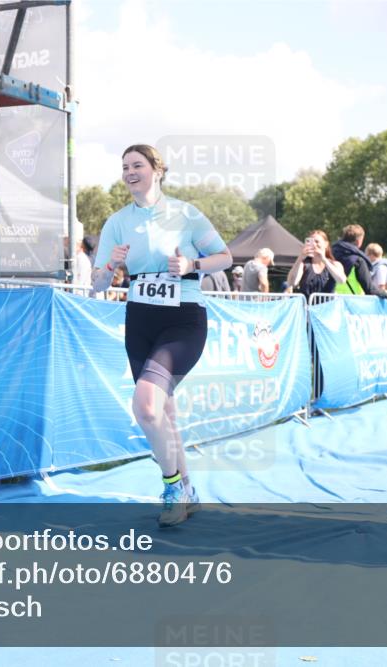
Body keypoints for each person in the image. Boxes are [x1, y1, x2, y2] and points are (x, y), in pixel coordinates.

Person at [92, 144, 232, 527]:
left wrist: (191, 264)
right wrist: (111, 266)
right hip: (140, 321)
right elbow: (97, 284)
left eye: (137, 165)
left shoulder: (187, 214)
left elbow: (225, 257)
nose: (129, 172)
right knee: (164, 413)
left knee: (147, 407)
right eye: (124, 167)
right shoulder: (117, 222)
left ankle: (172, 488)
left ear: (157, 170)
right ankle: (187, 490)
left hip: (183, 320)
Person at [287, 230, 346, 399]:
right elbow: (292, 281)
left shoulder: (335, 264)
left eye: (318, 242)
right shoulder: (304, 265)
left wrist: (324, 259)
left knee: (322, 360)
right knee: (303, 359)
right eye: (310, 241)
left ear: (326, 244)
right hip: (305, 319)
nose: (314, 245)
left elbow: (341, 280)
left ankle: (320, 398)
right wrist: (300, 258)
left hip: (326, 321)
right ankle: (301, 399)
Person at [331, 224, 387, 299]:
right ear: (358, 241)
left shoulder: (330, 256)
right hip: (351, 301)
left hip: (331, 300)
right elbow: (370, 289)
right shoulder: (358, 261)